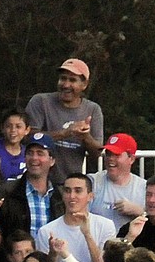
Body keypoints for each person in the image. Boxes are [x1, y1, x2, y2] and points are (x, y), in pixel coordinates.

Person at [25, 58, 104, 186]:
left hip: (69, 186)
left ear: (84, 84)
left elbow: (97, 153)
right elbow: (28, 137)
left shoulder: (93, 109)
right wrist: (66, 132)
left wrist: (86, 136)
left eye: (72, 80)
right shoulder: (40, 101)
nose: (66, 85)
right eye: (63, 78)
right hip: (37, 182)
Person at [35, 172, 116, 262]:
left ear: (90, 196)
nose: (72, 196)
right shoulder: (46, 231)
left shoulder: (106, 226)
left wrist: (87, 235)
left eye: (78, 191)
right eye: (67, 191)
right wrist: (53, 254)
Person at [0, 132, 62, 246]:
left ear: (52, 160)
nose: (34, 158)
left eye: (40, 153)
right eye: (30, 153)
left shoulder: (61, 196)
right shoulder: (6, 193)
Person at [90, 133, 146, 231]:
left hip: (129, 244)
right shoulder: (92, 182)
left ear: (131, 159)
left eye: (116, 155)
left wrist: (139, 211)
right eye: (108, 154)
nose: (110, 159)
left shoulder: (144, 187)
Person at [0, 109, 29, 182]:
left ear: (27, 130)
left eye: (18, 127)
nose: (13, 130)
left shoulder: (28, 153)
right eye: (8, 126)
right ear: (2, 128)